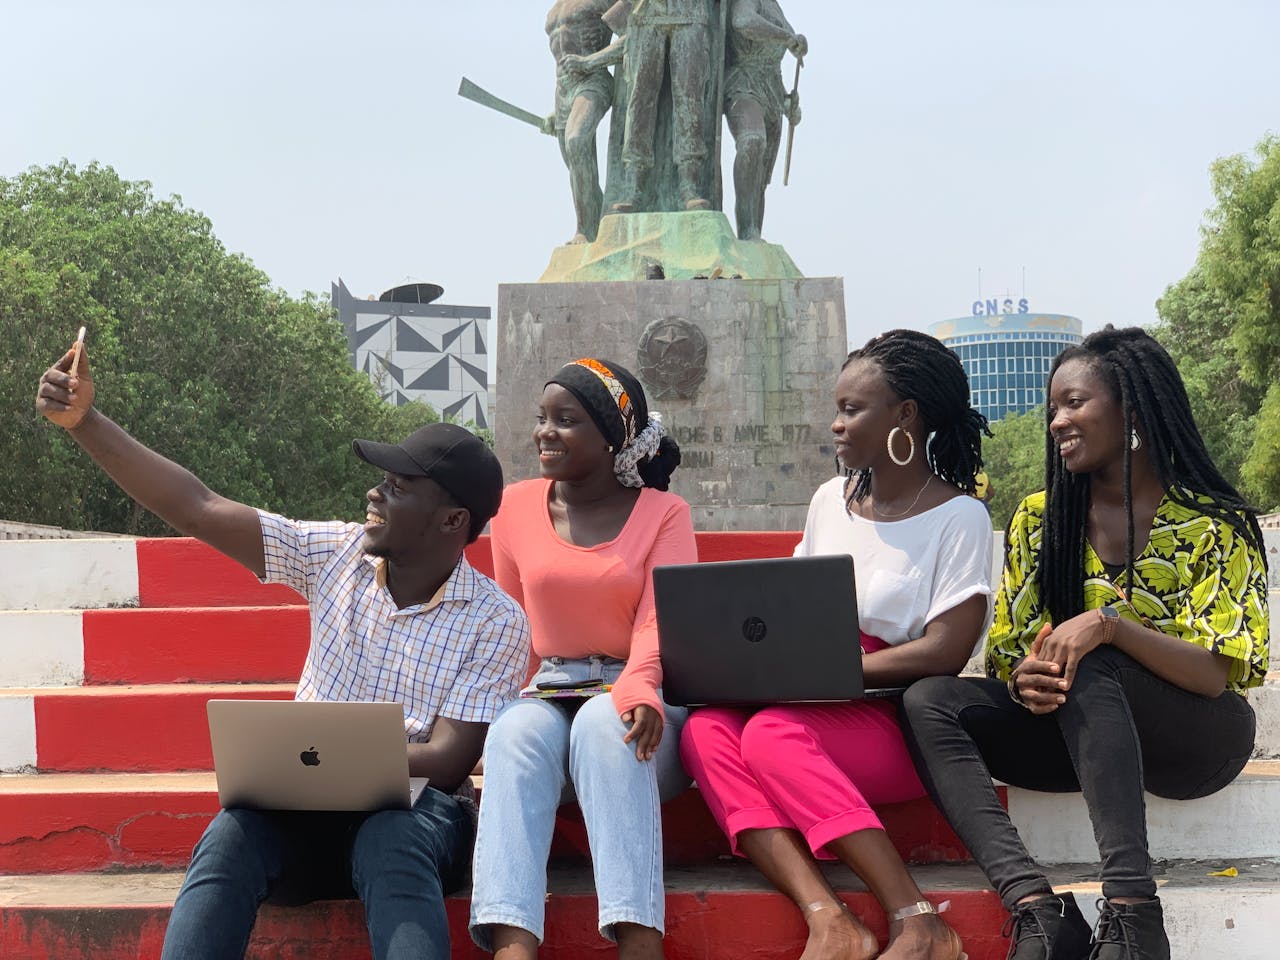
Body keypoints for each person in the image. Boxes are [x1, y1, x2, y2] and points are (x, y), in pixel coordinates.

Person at [34, 340, 530, 960]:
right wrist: (85, 422)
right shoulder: (334, 555)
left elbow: (450, 760)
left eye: (398, 488)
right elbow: (196, 506)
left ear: (453, 522)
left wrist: (329, 753)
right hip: (303, 809)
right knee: (230, 839)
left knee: (390, 840)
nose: (374, 495)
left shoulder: (496, 619)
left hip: (420, 820)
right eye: (380, 481)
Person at [901, 326, 1269, 960]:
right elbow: (1010, 653)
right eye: (1052, 410)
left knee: (1093, 657)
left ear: (1132, 408)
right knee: (929, 700)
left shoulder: (1211, 520)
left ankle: (1132, 916)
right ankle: (1036, 909)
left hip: (1197, 739)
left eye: (1075, 404)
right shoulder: (1040, 518)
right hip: (1082, 736)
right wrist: (1028, 681)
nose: (1057, 422)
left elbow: (1215, 673)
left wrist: (1109, 626)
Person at [679, 330, 994, 960]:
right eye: (837, 408)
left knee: (769, 736)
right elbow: (790, 603)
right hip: (806, 694)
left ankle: (920, 919)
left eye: (853, 410)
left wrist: (848, 667)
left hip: (892, 713)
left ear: (905, 416)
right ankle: (829, 916)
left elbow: (945, 651)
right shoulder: (830, 501)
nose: (836, 424)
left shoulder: (960, 517)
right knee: (704, 731)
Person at [468, 358, 696, 960]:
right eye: (543, 419)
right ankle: (513, 948)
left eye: (565, 421)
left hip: (640, 695)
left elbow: (660, 618)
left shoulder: (664, 514)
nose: (545, 432)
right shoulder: (514, 507)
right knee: (514, 731)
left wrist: (641, 686)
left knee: (604, 721)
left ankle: (639, 943)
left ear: (610, 435)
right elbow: (513, 623)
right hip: (549, 688)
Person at [723, 0, 805, 240]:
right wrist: (787, 38)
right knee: (752, 141)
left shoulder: (775, 7)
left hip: (772, 93)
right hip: (743, 85)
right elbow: (743, 22)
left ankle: (753, 235)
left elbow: (773, 65)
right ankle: (747, 231)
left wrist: (788, 103)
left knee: (759, 180)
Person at [545, 0, 617, 243]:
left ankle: (584, 232)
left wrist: (590, 62)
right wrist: (556, 109)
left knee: (577, 141)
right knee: (577, 167)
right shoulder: (555, 8)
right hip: (563, 90)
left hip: (592, 79)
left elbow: (633, 39)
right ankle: (603, 226)